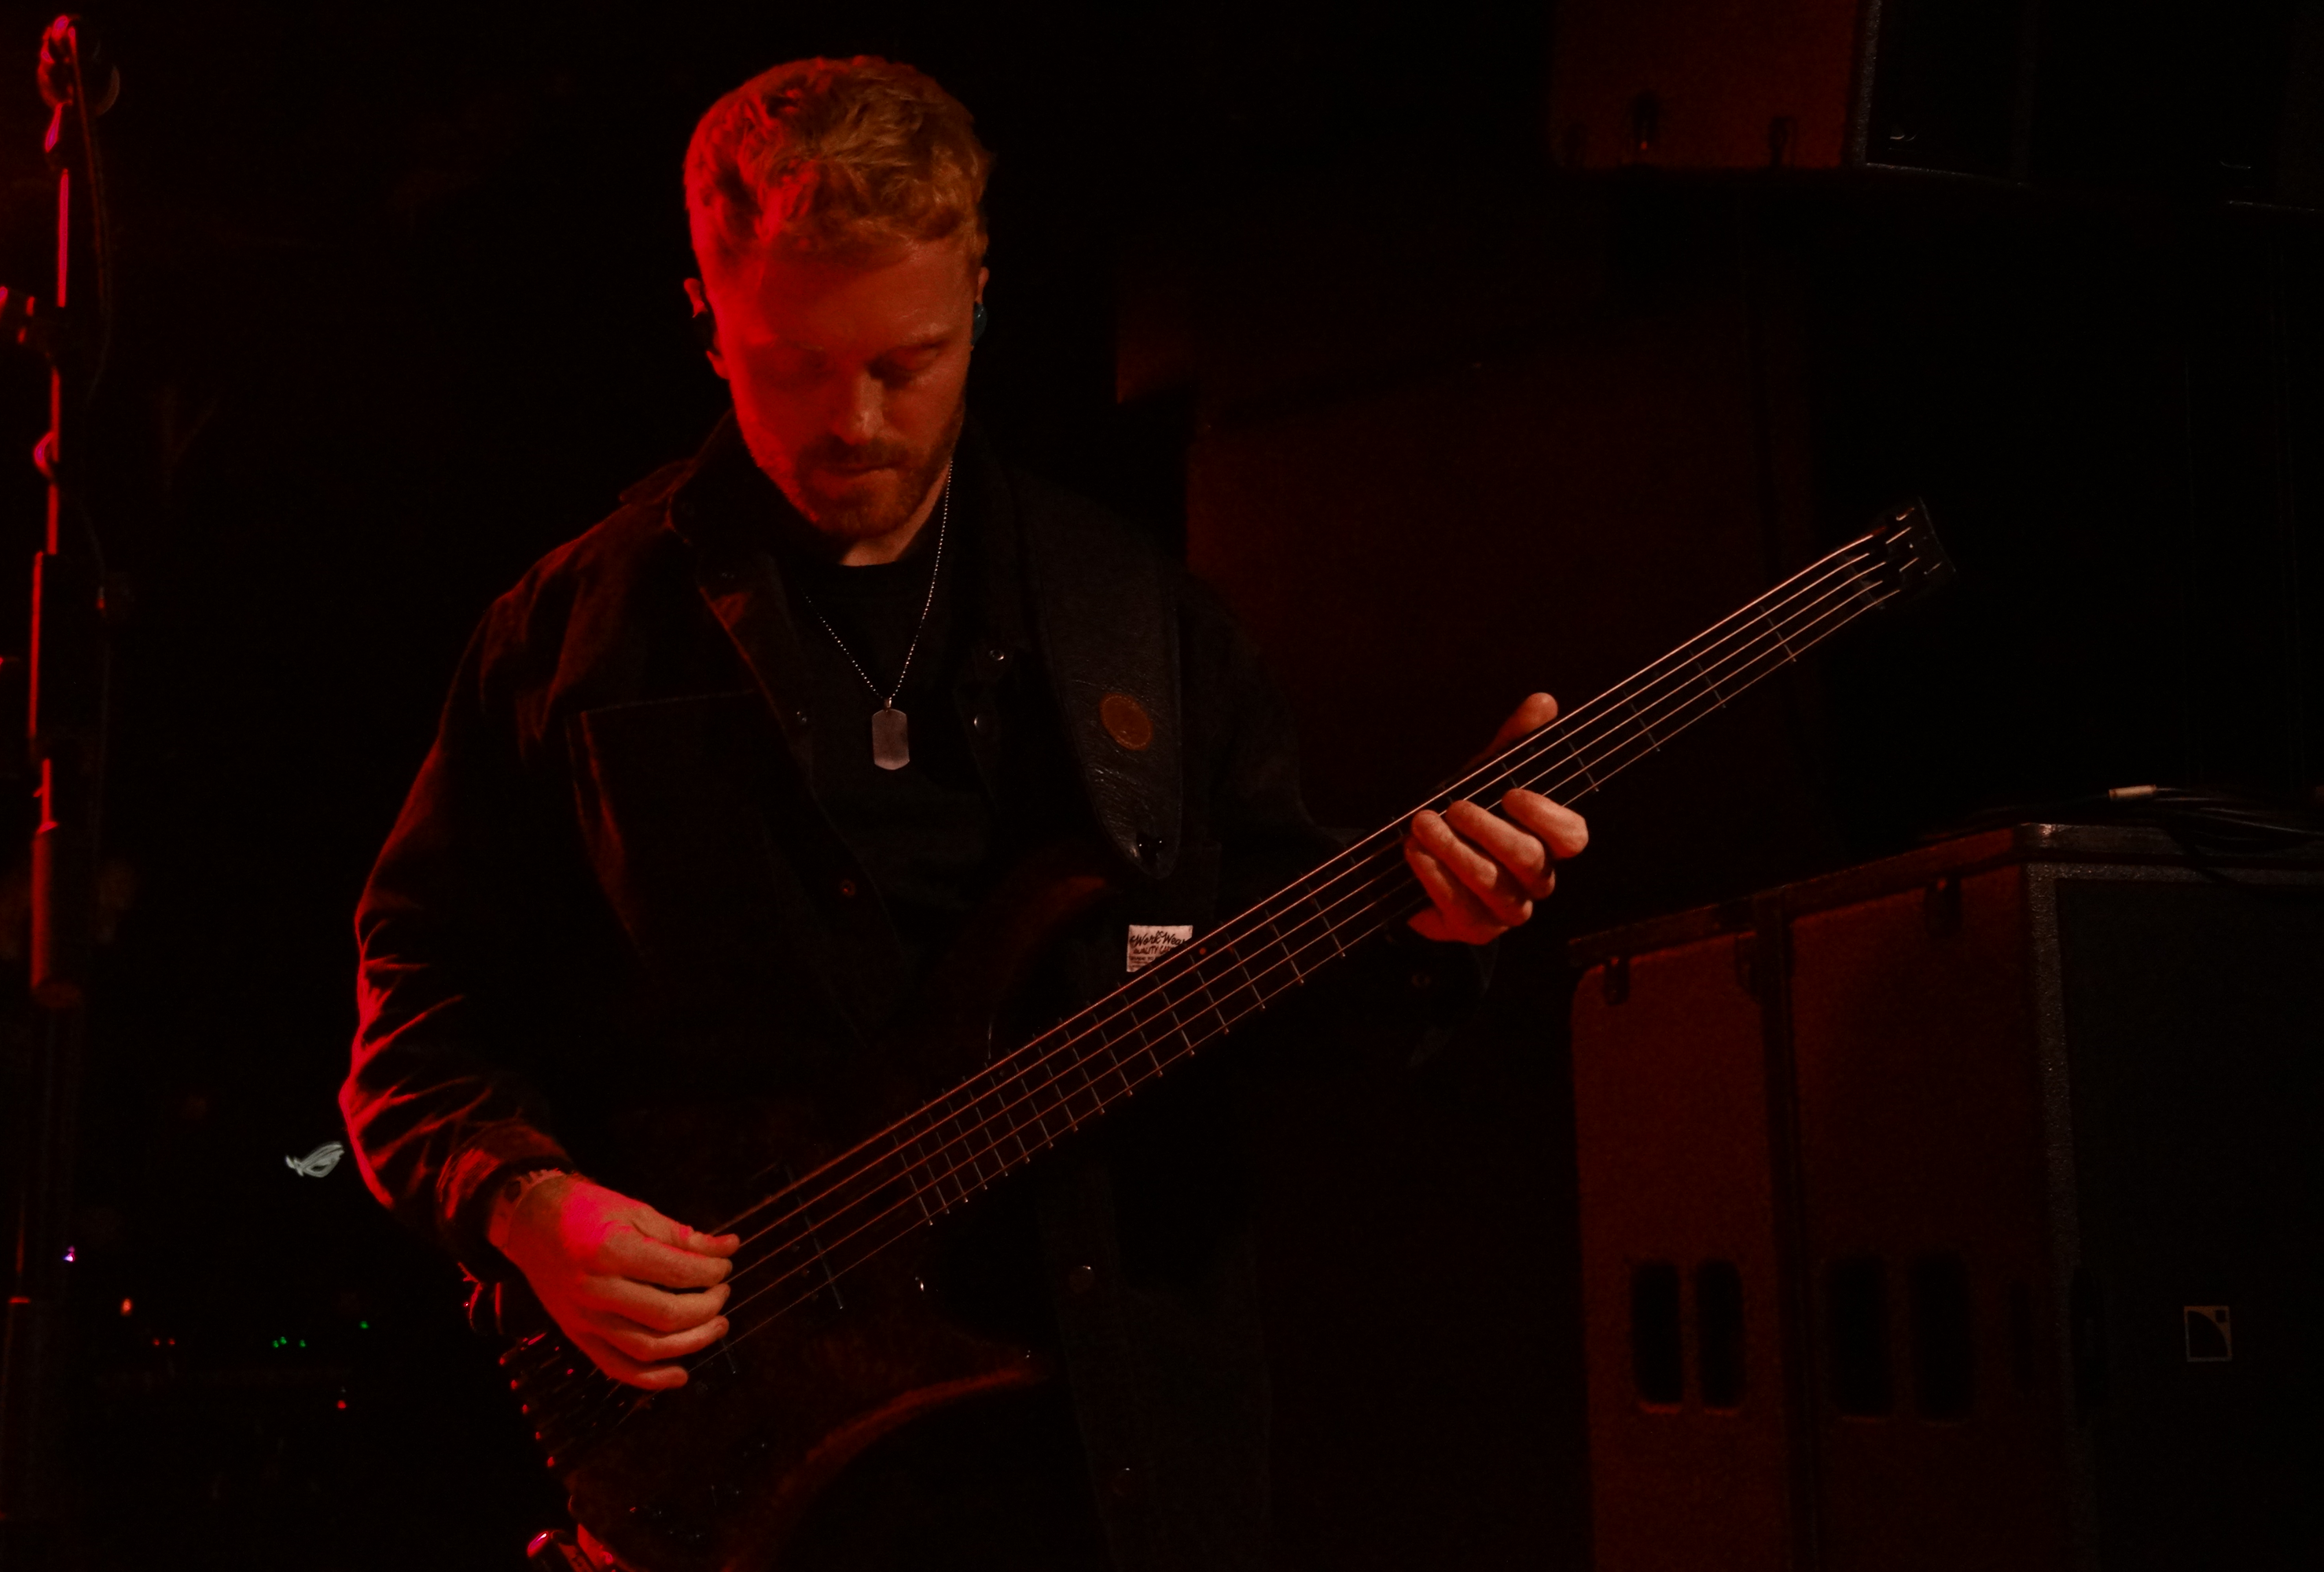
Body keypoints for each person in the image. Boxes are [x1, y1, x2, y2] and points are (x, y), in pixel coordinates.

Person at [340, 57, 1587, 1572]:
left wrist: (1432, 929)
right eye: (791, 364)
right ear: (705, 322)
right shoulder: (568, 641)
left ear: (980, 305)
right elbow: (419, 998)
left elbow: (1279, 1009)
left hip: (1100, 1464)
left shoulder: (1145, 623)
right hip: (737, 1471)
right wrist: (523, 1203)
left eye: (907, 360)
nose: (854, 420)